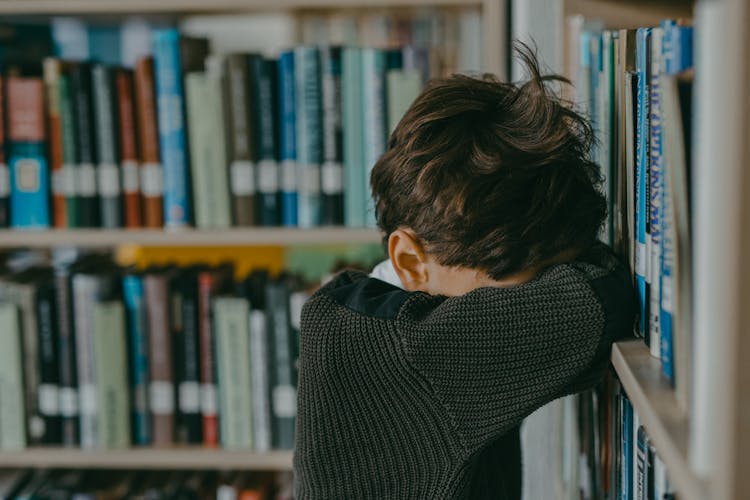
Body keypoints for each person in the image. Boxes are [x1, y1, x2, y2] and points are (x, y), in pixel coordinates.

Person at [293, 45, 636, 499]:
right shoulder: (419, 349)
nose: (547, 291)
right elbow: (604, 302)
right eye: (529, 278)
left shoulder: (354, 316)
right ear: (411, 261)